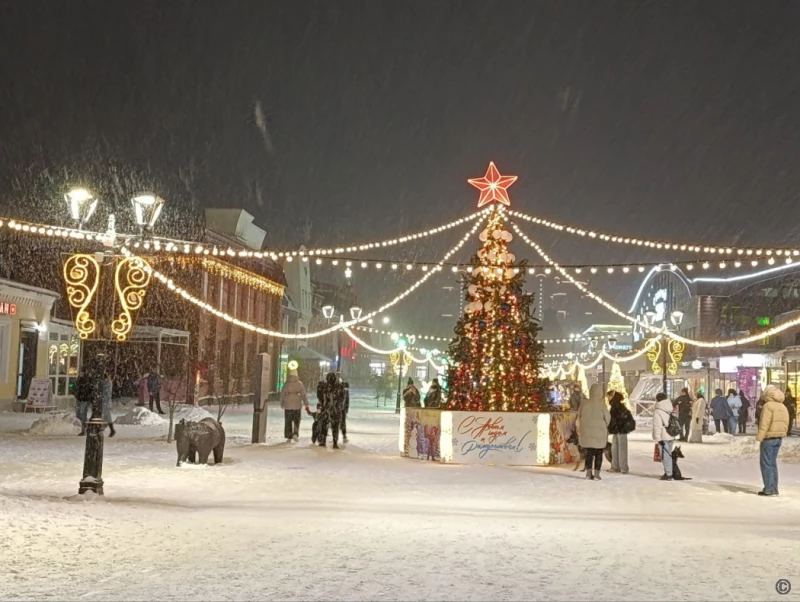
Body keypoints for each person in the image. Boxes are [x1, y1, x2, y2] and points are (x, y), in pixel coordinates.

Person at [756, 385, 790, 496]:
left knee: (766, 463)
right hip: (778, 438)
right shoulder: (782, 406)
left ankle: (769, 489)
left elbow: (764, 423)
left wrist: (759, 437)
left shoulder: (768, 406)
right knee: (772, 463)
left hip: (769, 438)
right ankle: (774, 488)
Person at [576, 384, 610, 480]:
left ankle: (588, 473)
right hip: (599, 433)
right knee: (598, 453)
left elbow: (579, 416)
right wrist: (604, 425)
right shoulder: (601, 404)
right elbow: (607, 418)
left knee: (589, 453)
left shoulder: (584, 403)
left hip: (587, 432)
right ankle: (597, 474)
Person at [606, 391, 634, 474]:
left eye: (609, 396)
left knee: (618, 449)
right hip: (620, 430)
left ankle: (619, 467)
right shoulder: (619, 406)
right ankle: (618, 467)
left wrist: (611, 428)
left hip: (620, 430)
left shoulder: (616, 407)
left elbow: (614, 420)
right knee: (617, 449)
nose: (608, 398)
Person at [653, 392, 678, 480]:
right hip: (671, 434)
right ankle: (669, 471)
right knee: (668, 454)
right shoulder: (669, 408)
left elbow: (657, 426)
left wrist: (658, 438)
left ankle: (668, 474)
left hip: (663, 436)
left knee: (665, 456)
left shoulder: (658, 411)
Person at [280, 368, 309, 443]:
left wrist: (282, 403)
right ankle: (295, 433)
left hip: (288, 405)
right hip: (297, 405)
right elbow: (303, 394)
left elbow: (282, 394)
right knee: (296, 420)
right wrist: (306, 403)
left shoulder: (286, 384)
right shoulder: (299, 384)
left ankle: (288, 435)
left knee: (288, 421)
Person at [317, 372, 345, 449]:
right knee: (334, 426)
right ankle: (334, 442)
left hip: (326, 409)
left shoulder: (324, 387)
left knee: (324, 425)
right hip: (335, 409)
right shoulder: (338, 387)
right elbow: (342, 398)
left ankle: (323, 441)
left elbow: (319, 397)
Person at [74, 367, 93, 436]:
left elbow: (89, 389)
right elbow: (76, 387)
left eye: (82, 372)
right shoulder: (79, 379)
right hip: (79, 398)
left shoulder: (88, 380)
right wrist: (76, 394)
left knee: (83, 414)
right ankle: (85, 426)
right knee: (78, 414)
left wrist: (87, 397)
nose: (81, 373)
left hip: (84, 399)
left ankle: (84, 429)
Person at [101, 369, 116, 438]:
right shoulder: (108, 382)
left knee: (107, 415)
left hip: (105, 401)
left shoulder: (106, 382)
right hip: (106, 401)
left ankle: (111, 429)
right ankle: (105, 427)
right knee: (106, 415)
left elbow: (105, 392)